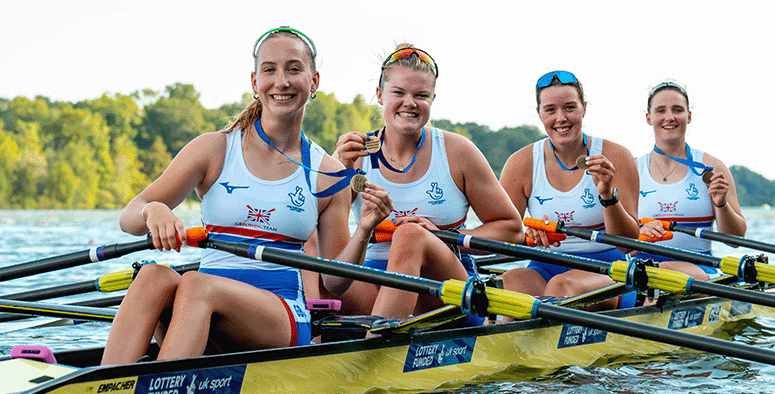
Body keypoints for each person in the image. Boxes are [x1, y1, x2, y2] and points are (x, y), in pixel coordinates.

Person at [101, 27, 392, 365]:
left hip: (278, 313)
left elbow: (335, 281)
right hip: (204, 303)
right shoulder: (213, 149)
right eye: (269, 70)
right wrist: (152, 210)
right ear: (255, 82)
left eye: (293, 69)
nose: (281, 81)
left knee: (196, 285)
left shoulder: (328, 172)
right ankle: (102, 391)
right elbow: (129, 217)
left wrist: (364, 229)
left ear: (314, 81)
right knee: (152, 275)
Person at [322, 44, 523, 323]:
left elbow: (513, 231)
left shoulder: (457, 151)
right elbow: (314, 229)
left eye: (421, 95)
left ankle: (375, 345)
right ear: (380, 95)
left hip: (445, 290)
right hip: (374, 283)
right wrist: (334, 172)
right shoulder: (354, 154)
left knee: (411, 235)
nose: (409, 103)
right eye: (399, 93)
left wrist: (438, 237)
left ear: (433, 99)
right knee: (310, 243)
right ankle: (308, 338)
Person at [497, 71, 640, 311]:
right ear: (539, 113)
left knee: (562, 287)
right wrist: (527, 234)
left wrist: (607, 195)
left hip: (608, 269)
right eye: (551, 110)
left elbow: (629, 243)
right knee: (507, 285)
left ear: (584, 108)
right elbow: (504, 232)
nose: (561, 118)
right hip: (546, 266)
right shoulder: (520, 163)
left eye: (570, 108)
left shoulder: (617, 156)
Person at [634, 80, 746, 281]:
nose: (670, 117)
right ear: (649, 118)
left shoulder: (712, 167)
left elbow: (735, 240)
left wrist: (721, 204)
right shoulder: (632, 170)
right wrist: (637, 233)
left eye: (677, 110)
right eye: (661, 111)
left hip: (698, 268)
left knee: (663, 272)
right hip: (639, 269)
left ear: (689, 116)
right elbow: (615, 239)